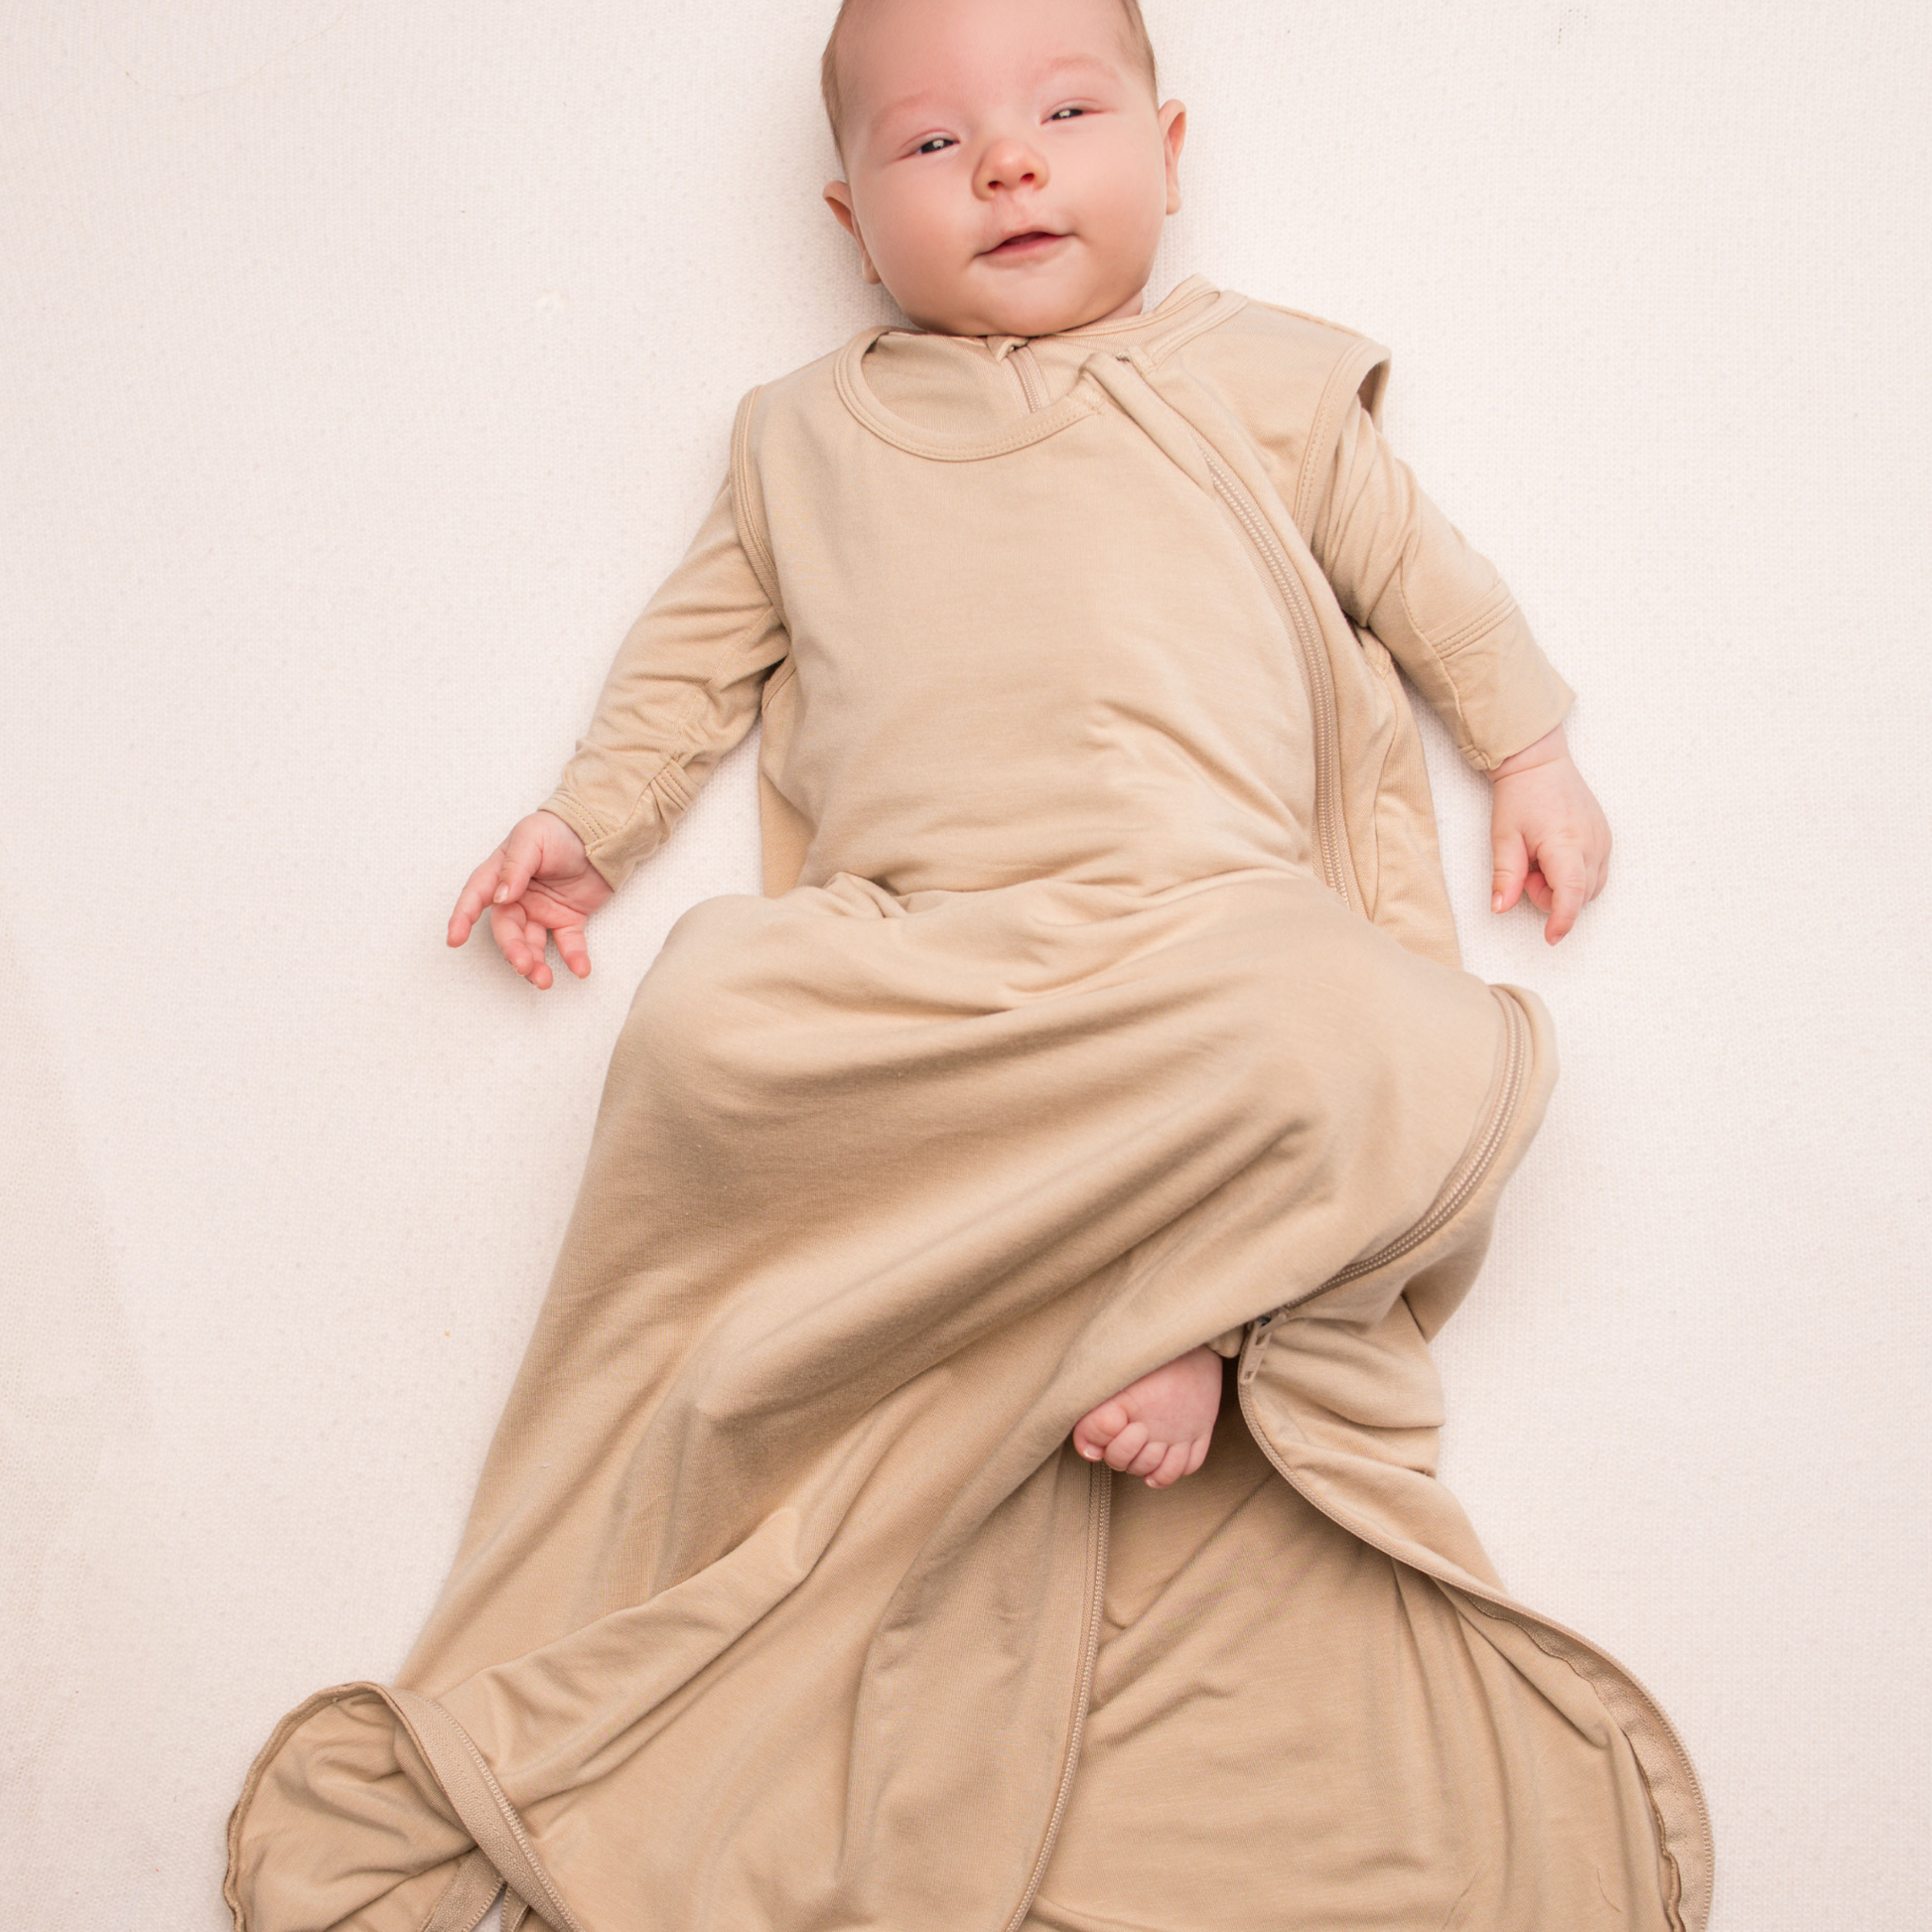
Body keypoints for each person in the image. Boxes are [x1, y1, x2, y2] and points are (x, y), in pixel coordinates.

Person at [226, 2, 1708, 1928]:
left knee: (1383, 1029)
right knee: (707, 1018)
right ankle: (1139, 1289)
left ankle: (1199, 1312)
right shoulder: (799, 437)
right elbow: (694, 663)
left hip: (1196, 917)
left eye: (1063, 113)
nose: (1005, 162)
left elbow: (1423, 576)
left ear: (1167, 151)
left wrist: (1525, 751)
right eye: (933, 146)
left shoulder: (1256, 378)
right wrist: (587, 825)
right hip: (921, 938)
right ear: (850, 216)